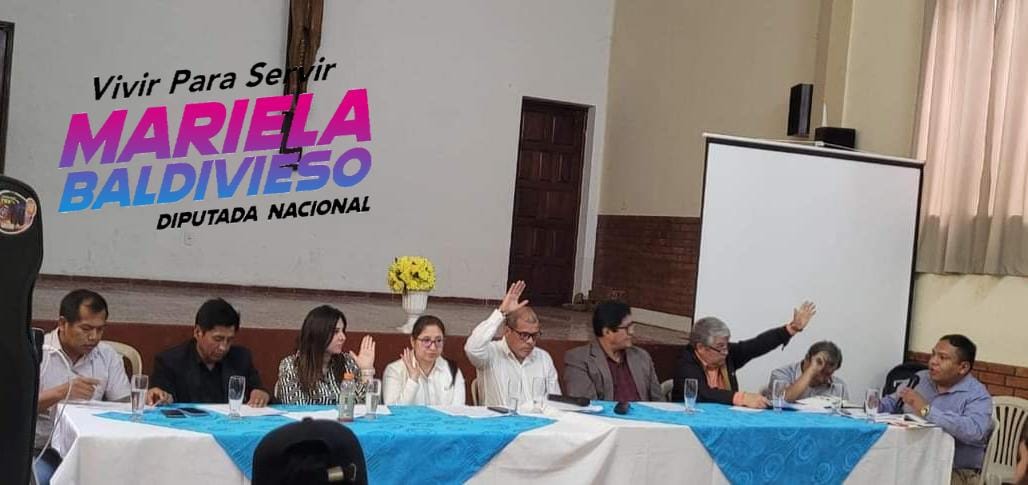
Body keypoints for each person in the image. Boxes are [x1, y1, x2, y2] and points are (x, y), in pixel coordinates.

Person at [34, 290, 166, 485]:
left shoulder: (107, 355)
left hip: (95, 450)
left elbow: (123, 405)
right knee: (42, 479)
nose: (94, 337)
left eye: (100, 329)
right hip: (42, 449)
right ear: (62, 323)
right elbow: (14, 409)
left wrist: (144, 399)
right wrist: (62, 392)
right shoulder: (38, 353)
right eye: (86, 329)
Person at [879, 335, 992, 485]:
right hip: (909, 462)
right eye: (933, 354)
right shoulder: (920, 379)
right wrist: (876, 405)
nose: (933, 361)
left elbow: (975, 431)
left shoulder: (977, 395)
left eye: (942, 358)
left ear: (963, 367)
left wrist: (926, 410)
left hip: (954, 470)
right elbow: (891, 402)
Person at [671, 301, 817, 408]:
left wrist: (791, 329)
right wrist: (741, 398)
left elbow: (756, 345)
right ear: (701, 348)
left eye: (727, 345)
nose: (726, 352)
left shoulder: (727, 354)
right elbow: (702, 393)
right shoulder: (686, 362)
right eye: (720, 347)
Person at [150, 298, 270, 406]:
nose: (223, 347)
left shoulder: (241, 358)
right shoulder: (170, 362)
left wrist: (262, 394)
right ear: (198, 332)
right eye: (218, 339)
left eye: (229, 340)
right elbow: (160, 397)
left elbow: (259, 390)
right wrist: (162, 397)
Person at [464, 280, 560, 407]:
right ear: (507, 331)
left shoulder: (543, 358)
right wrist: (501, 313)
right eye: (524, 335)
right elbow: (472, 348)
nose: (530, 342)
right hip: (500, 418)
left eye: (534, 335)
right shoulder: (490, 354)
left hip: (537, 418)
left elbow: (556, 402)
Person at [563, 300, 664, 402]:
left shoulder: (642, 356)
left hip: (643, 412)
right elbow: (588, 406)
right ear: (607, 332)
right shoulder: (580, 360)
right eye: (627, 328)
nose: (632, 332)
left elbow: (659, 402)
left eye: (632, 326)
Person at [274, 305, 376, 405]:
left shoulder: (348, 362)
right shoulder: (291, 365)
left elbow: (367, 406)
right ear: (318, 333)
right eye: (335, 332)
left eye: (343, 331)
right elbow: (296, 409)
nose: (343, 337)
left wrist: (366, 371)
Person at [383, 315, 465, 405]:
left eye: (438, 341)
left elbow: (458, 410)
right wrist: (413, 380)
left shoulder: (452, 370)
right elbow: (393, 409)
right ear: (413, 341)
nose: (433, 347)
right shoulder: (395, 370)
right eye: (426, 340)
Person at [765, 341, 848, 402]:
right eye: (820, 372)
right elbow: (783, 401)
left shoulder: (839, 386)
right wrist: (811, 370)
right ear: (807, 359)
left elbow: (845, 415)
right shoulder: (780, 374)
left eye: (828, 374)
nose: (822, 379)